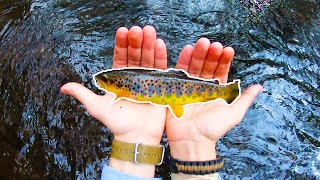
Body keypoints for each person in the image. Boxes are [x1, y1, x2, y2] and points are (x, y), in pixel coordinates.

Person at [61, 26, 262, 179]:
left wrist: (132, 143)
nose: (100, 83)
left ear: (118, 84)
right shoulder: (124, 89)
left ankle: (222, 93)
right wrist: (195, 149)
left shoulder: (124, 88)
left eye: (105, 81)